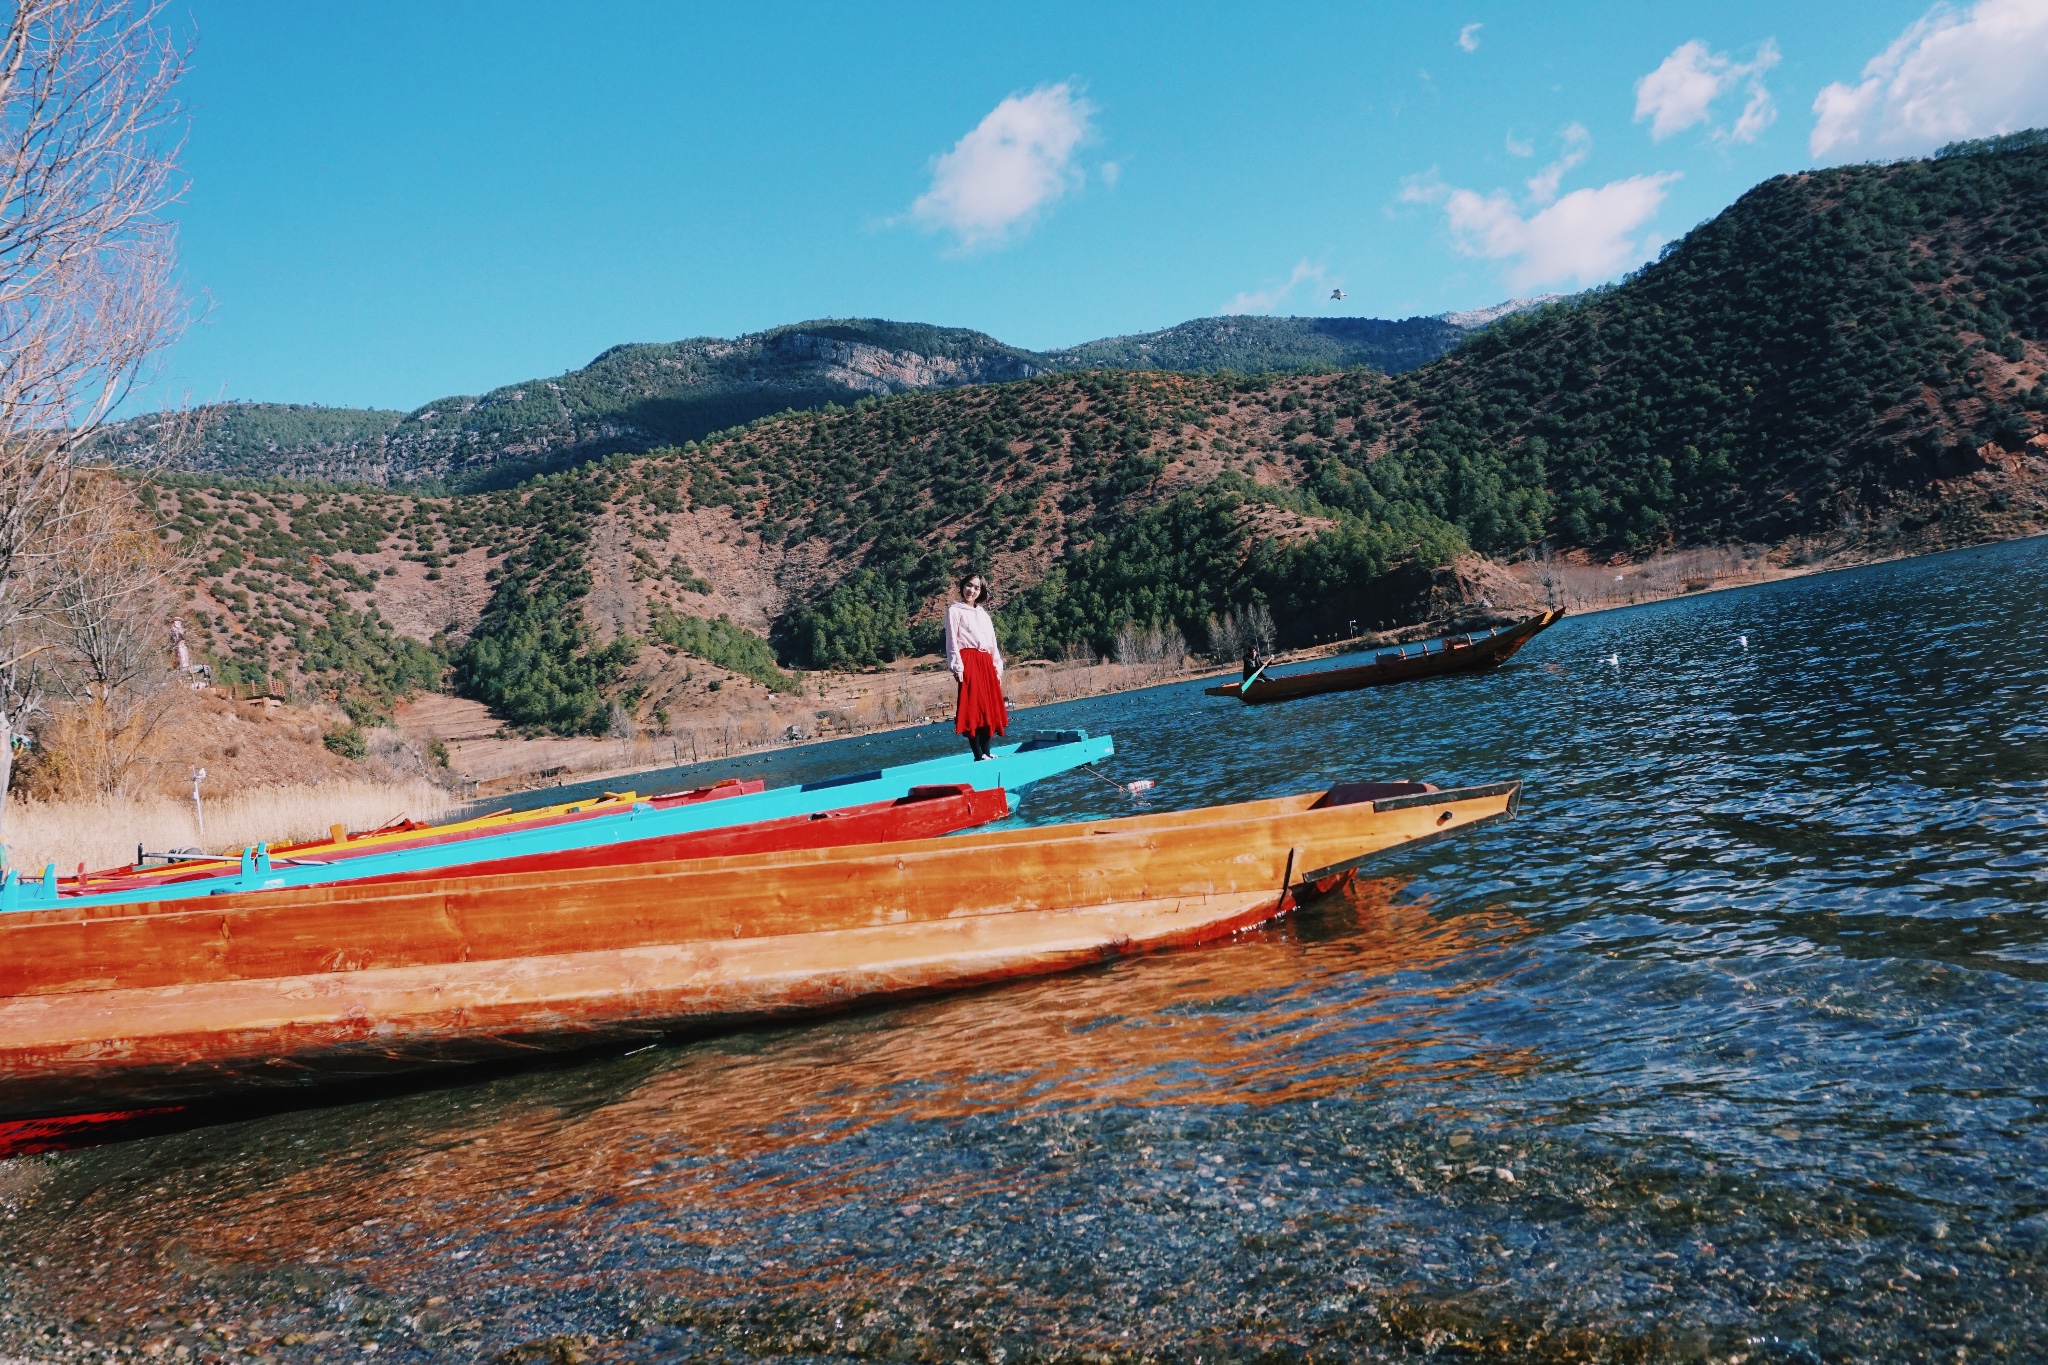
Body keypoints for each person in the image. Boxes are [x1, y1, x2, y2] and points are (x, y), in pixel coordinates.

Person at [944, 573, 1007, 760]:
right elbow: (952, 641)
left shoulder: (983, 614)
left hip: (986, 661)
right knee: (973, 706)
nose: (971, 590)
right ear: (963, 586)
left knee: (988, 706)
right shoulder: (954, 611)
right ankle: (978, 755)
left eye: (976, 588)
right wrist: (957, 667)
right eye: (968, 585)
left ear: (981, 592)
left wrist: (997, 667)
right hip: (968, 660)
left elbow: (992, 643)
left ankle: (987, 752)